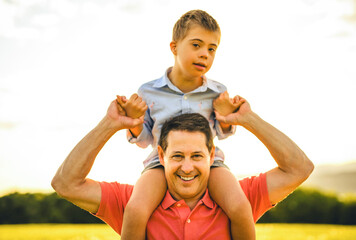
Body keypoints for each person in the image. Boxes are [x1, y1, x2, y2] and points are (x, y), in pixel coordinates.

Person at [51, 96, 314, 239]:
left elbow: (299, 168)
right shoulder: (132, 202)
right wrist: (109, 124)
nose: (187, 167)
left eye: (197, 156)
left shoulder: (238, 197)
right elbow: (66, 184)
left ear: (212, 155)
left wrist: (248, 119)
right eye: (177, 156)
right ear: (161, 156)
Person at [116, 9, 255, 239]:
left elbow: (222, 132)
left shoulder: (217, 92)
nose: (205, 55)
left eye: (212, 49)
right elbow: (145, 140)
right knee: (135, 209)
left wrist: (228, 116)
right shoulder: (148, 91)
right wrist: (134, 121)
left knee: (240, 206)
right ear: (174, 48)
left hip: (210, 163)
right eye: (197, 45)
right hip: (160, 165)